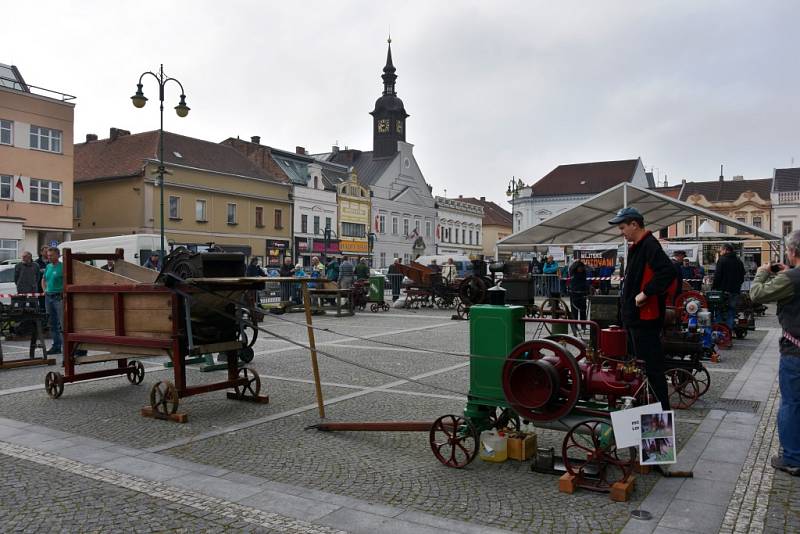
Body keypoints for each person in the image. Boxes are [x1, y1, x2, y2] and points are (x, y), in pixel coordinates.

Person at [609, 207, 675, 411]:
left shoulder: (649, 244)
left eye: (623, 227)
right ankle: (647, 410)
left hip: (645, 319)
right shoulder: (639, 245)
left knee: (653, 370)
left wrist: (644, 293)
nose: (622, 232)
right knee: (643, 368)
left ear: (634, 224)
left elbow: (667, 272)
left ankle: (660, 418)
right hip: (637, 319)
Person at [750, 230, 800, 475]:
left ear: (792, 252)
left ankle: (792, 457)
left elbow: (757, 294)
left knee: (791, 403)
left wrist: (761, 273)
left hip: (795, 350)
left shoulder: (792, 277)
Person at [712, 243, 745, 329]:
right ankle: (728, 332)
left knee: (719, 310)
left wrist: (714, 287)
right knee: (731, 311)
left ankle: (719, 330)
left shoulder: (722, 260)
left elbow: (718, 276)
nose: (720, 252)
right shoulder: (739, 261)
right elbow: (742, 276)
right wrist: (737, 285)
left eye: (721, 250)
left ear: (726, 250)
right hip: (735, 290)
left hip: (722, 290)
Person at [41, 247, 64, 355]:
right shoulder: (48, 266)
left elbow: (66, 281)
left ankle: (66, 347)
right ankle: (56, 346)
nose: (49, 257)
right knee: (52, 323)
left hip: (58, 297)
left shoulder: (63, 267)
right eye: (48, 255)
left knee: (62, 323)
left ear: (58, 255)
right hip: (48, 297)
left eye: (51, 255)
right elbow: (43, 279)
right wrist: (45, 290)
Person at [568, 258, 588, 325]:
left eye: (582, 267)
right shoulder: (573, 272)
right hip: (574, 293)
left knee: (583, 310)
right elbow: (571, 268)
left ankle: (583, 325)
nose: (581, 269)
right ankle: (575, 324)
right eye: (580, 267)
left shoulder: (584, 273)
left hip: (582, 293)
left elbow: (586, 282)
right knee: (574, 311)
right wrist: (576, 262)